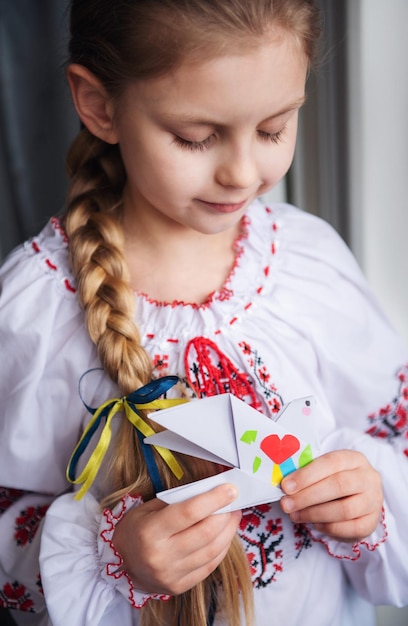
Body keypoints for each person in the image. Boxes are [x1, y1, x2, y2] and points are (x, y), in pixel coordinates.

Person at [0, 0, 407, 624]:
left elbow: (393, 433)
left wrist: (369, 501)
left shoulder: (310, 266)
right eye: (196, 137)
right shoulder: (33, 313)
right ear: (100, 105)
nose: (243, 172)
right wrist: (113, 552)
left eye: (274, 129)